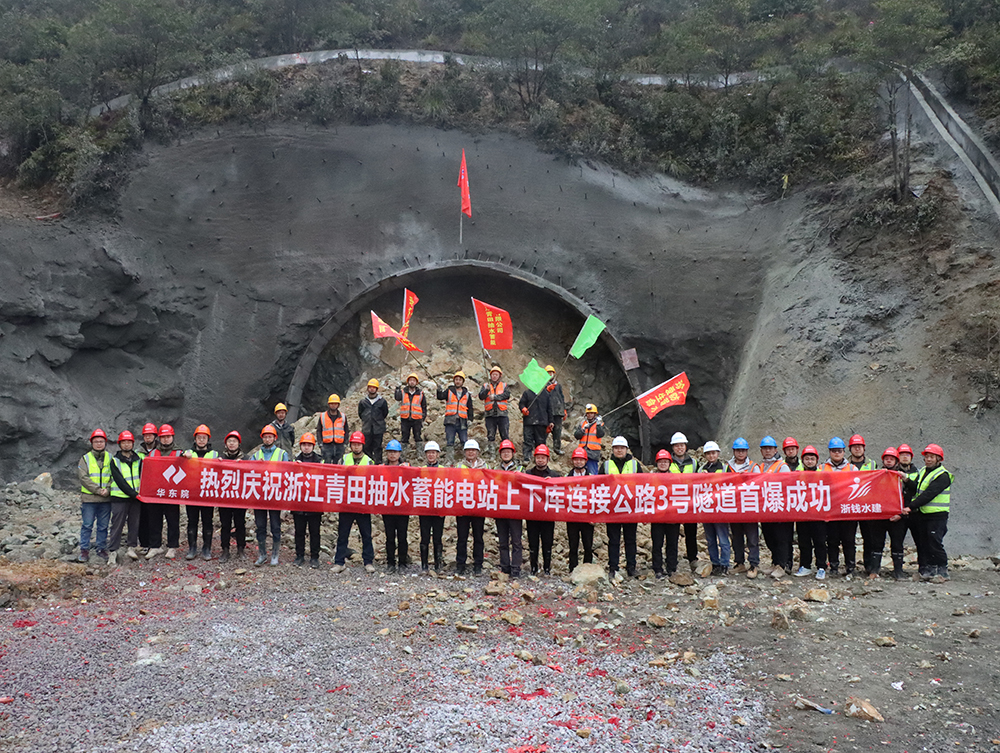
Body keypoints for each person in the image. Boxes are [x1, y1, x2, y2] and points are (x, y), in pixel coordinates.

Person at [905, 444, 952, 582]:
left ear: (939, 459)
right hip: (923, 514)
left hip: (937, 515)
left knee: (935, 542)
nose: (928, 459)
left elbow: (928, 494)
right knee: (924, 543)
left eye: (932, 457)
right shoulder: (923, 471)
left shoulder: (943, 475)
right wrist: (906, 479)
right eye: (927, 457)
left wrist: (910, 506)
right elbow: (917, 488)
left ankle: (942, 570)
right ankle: (929, 570)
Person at [333, 432, 376, 574]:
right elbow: (336, 477)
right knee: (343, 534)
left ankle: (368, 562)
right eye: (354, 444)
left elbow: (373, 481)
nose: (356, 447)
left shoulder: (369, 462)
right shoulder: (344, 459)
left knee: (366, 534)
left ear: (362, 445)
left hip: (362, 504)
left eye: (358, 444)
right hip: (346, 503)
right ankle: (339, 562)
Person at [602, 436, 643, 578]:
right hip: (612, 508)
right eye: (616, 448)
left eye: (622, 448)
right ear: (613, 449)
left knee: (630, 539)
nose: (619, 450)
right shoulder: (606, 465)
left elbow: (643, 485)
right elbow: (599, 485)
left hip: (630, 508)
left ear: (627, 449)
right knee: (613, 540)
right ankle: (613, 567)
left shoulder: (635, 465)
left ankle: (631, 567)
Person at [249, 425, 289, 566]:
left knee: (275, 525)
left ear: (274, 438)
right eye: (265, 437)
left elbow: (287, 472)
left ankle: (275, 555)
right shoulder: (256, 455)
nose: (267, 439)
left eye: (270, 437)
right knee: (260, 525)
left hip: (274, 495)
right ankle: (262, 554)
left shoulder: (282, 454)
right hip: (259, 496)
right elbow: (247, 472)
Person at [859, 447, 900, 579]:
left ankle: (898, 571)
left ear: (896, 461)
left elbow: (907, 494)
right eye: (886, 459)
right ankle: (874, 570)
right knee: (876, 543)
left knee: (897, 544)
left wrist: (901, 513)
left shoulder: (901, 476)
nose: (889, 461)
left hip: (896, 516)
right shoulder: (877, 474)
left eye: (891, 459)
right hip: (879, 514)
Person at [145, 424, 183, 560]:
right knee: (154, 520)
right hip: (156, 493)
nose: (166, 439)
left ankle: (172, 546)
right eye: (163, 437)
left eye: (168, 437)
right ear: (159, 438)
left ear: (172, 437)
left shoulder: (180, 453)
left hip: (172, 494)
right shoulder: (152, 453)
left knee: (173, 521)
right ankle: (155, 546)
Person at [757, 436, 792, 577]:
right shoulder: (760, 467)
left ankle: (782, 565)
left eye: (770, 448)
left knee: (781, 537)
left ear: (775, 450)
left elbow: (787, 485)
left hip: (779, 508)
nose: (767, 451)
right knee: (769, 537)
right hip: (766, 508)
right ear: (761, 451)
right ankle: (775, 562)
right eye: (765, 448)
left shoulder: (782, 466)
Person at [108, 430, 143, 566]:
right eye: (124, 442)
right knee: (117, 525)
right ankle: (113, 551)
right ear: (120, 444)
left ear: (133, 444)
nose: (127, 444)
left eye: (129, 442)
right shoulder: (115, 461)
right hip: (120, 498)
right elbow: (120, 481)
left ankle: (131, 547)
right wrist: (134, 493)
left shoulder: (138, 459)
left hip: (135, 498)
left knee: (134, 523)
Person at [182, 424, 217, 561]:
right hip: (192, 493)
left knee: (207, 521)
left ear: (208, 439)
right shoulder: (187, 453)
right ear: (195, 439)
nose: (201, 440)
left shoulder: (215, 454)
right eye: (199, 437)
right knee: (192, 521)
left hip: (207, 494)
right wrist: (183, 456)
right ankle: (192, 548)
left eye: (204, 438)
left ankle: (206, 548)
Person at [77, 429, 113, 563]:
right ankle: (84, 550)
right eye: (96, 441)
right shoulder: (85, 459)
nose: (99, 444)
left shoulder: (111, 458)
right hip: (89, 499)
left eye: (101, 441)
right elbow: (83, 477)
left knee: (103, 526)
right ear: (92, 443)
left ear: (105, 443)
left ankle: (101, 548)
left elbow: (115, 476)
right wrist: (98, 490)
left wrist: (108, 489)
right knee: (87, 525)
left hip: (106, 499)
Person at [822, 436, 855, 579]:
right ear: (829, 452)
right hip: (830, 511)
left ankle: (850, 567)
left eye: (839, 451)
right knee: (832, 541)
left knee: (849, 541)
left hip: (848, 511)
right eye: (834, 451)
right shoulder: (822, 468)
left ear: (844, 452)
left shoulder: (852, 468)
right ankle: (834, 566)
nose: (836, 453)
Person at [525, 445, 560, 575]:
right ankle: (533, 567)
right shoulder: (527, 474)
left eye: (543, 458)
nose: (540, 460)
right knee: (533, 542)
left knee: (547, 542)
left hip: (548, 515)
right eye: (538, 457)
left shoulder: (554, 476)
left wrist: (552, 483)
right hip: (532, 514)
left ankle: (547, 568)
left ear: (547, 459)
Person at [727, 438, 759, 579]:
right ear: (734, 451)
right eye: (738, 450)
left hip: (750, 507)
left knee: (752, 538)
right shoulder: (727, 466)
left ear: (747, 452)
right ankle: (739, 562)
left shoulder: (753, 467)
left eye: (743, 450)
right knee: (736, 537)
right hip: (734, 507)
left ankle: (753, 564)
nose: (741, 453)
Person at [793, 446, 827, 580]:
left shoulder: (823, 474)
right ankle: (805, 566)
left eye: (812, 459)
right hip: (802, 513)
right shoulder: (797, 475)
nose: (810, 461)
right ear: (802, 460)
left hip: (818, 513)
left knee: (820, 542)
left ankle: (821, 567)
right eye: (807, 459)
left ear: (817, 460)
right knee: (804, 542)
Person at [668, 432, 700, 572]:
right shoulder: (667, 462)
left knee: (691, 533)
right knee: (672, 534)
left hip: (689, 503)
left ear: (686, 446)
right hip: (673, 504)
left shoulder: (694, 463)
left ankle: (693, 559)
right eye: (677, 445)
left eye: (681, 445)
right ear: (673, 447)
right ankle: (671, 561)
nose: (679, 448)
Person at [456, 439, 488, 575]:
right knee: (462, 537)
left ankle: (478, 564)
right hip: (463, 506)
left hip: (479, 506)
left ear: (477, 452)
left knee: (478, 537)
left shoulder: (485, 467)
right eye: (468, 450)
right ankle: (460, 564)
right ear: (464, 452)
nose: (471, 452)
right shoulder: (459, 466)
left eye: (473, 450)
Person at [293, 432, 325, 568]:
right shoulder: (294, 462)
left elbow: (325, 480)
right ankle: (299, 555)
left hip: (314, 502)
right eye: (304, 445)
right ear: (300, 446)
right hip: (299, 502)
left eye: (309, 445)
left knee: (314, 532)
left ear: (313, 446)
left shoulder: (320, 461)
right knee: (299, 531)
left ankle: (314, 557)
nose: (306, 447)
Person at [699, 441, 730, 576]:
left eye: (713, 453)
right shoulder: (701, 470)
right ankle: (715, 563)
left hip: (721, 509)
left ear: (718, 453)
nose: (711, 456)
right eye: (708, 454)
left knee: (723, 539)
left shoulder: (725, 468)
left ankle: (725, 564)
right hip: (706, 509)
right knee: (711, 540)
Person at [495, 439, 524, 578]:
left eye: (508, 452)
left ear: (513, 453)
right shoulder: (494, 470)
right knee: (503, 541)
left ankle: (516, 569)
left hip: (515, 510)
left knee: (516, 541)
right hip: (500, 510)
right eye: (504, 452)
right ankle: (505, 568)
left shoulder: (520, 470)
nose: (506, 454)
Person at [381, 439, 410, 572]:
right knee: (390, 537)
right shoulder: (381, 468)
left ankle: (403, 562)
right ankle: (391, 562)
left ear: (399, 453)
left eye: (395, 452)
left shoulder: (406, 467)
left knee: (402, 536)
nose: (392, 455)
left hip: (402, 507)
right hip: (387, 507)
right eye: (390, 452)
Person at [650, 449, 679, 579]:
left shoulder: (676, 478)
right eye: (660, 461)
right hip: (657, 517)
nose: (663, 464)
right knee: (657, 544)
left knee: (672, 543)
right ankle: (657, 568)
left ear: (669, 463)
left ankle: (671, 567)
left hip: (672, 516)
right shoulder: (650, 478)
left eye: (665, 462)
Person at [218, 430, 246, 563]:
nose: (232, 443)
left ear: (239, 443)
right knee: (225, 524)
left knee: (240, 523)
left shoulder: (246, 459)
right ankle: (225, 549)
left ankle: (241, 548)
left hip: (240, 497)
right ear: (226, 444)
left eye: (234, 441)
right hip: (224, 497)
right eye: (230, 441)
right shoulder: (220, 458)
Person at [565, 446, 594, 572]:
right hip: (572, 516)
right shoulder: (567, 477)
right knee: (573, 544)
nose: (578, 462)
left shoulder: (592, 477)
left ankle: (587, 569)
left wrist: (594, 516)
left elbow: (596, 497)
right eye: (576, 459)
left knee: (588, 544)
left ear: (585, 461)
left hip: (587, 517)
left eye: (581, 460)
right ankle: (573, 568)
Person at [419, 441, 446, 573]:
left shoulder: (444, 470)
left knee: (437, 538)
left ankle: (438, 564)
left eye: (433, 453)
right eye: (429, 453)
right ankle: (424, 565)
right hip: (424, 508)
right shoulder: (421, 470)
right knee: (424, 538)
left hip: (438, 509)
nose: (431, 455)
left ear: (437, 454)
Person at [437, 371, 472, 463]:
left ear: (463, 381)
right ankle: (449, 460)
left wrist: (470, 419)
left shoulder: (467, 394)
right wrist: (439, 390)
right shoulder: (449, 391)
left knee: (464, 441)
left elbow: (470, 408)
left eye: (460, 380)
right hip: (450, 420)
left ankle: (467, 460)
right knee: (450, 441)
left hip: (462, 421)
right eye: (456, 379)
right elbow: (440, 397)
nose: (458, 381)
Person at [479, 366, 511, 452]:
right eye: (493, 374)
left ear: (499, 376)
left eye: (496, 374)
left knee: (504, 434)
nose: (494, 376)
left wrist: (495, 397)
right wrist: (486, 390)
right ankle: (491, 453)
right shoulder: (486, 386)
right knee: (490, 435)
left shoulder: (504, 385)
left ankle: (506, 451)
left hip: (502, 414)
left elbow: (507, 395)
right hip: (490, 414)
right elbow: (481, 396)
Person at [358, 378, 389, 464]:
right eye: (370, 387)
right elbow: (360, 413)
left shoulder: (382, 402)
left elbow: (385, 413)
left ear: (377, 389)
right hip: (367, 429)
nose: (372, 389)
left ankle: (378, 464)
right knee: (366, 447)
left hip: (378, 429)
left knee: (378, 447)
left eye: (373, 387)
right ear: (367, 388)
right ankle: (367, 464)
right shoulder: (363, 402)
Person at [518, 386, 552, 463]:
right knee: (527, 441)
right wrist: (523, 408)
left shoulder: (546, 394)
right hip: (529, 421)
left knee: (540, 442)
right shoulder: (527, 393)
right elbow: (521, 403)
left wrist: (551, 422)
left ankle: (540, 459)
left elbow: (549, 409)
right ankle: (527, 458)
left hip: (542, 422)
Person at [395, 373, 427, 450]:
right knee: (404, 436)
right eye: (410, 380)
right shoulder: (403, 392)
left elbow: (424, 406)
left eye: (413, 380)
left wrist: (423, 417)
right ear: (408, 382)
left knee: (418, 436)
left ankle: (420, 453)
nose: (412, 382)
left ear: (416, 382)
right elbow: (397, 398)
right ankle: (403, 453)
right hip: (405, 419)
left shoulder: (420, 393)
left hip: (417, 419)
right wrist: (397, 389)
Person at [317, 394, 349, 464]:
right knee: (327, 464)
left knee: (338, 464)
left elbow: (346, 430)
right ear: (329, 404)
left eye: (335, 404)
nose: (333, 405)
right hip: (327, 445)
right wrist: (320, 444)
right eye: (332, 403)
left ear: (338, 405)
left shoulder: (343, 417)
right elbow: (319, 430)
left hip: (339, 446)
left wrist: (345, 443)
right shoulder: (323, 416)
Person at [574, 404, 605, 475]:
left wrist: (598, 425)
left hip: (593, 453)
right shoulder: (582, 423)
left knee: (592, 473)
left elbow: (600, 434)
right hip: (582, 453)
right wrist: (583, 430)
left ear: (595, 414)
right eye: (588, 413)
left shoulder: (599, 424)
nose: (589, 415)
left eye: (591, 413)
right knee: (580, 473)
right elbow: (576, 436)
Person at [544, 365, 567, 455]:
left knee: (557, 431)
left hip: (558, 411)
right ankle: (541, 446)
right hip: (547, 411)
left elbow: (561, 398)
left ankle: (557, 448)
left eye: (551, 373)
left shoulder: (558, 386)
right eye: (548, 373)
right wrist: (547, 389)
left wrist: (564, 410)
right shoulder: (542, 385)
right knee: (545, 429)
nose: (550, 374)